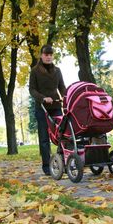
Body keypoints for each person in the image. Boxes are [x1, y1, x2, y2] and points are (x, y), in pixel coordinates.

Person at [29, 44, 66, 175]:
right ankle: (46, 166)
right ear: (41, 55)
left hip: (56, 107)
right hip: (42, 108)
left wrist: (66, 97)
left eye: (51, 54)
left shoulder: (57, 70)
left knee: (62, 136)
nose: (49, 57)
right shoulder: (35, 71)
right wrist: (43, 98)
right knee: (44, 138)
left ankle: (63, 162)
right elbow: (32, 89)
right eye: (46, 54)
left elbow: (62, 87)